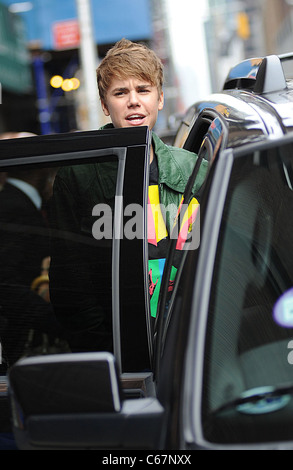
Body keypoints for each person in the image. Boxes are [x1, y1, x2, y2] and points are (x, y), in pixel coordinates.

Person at [49, 39, 209, 354]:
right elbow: (71, 285)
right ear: (105, 105)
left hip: (191, 343)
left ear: (160, 99)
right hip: (120, 352)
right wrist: (109, 356)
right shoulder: (77, 174)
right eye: (121, 92)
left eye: (143, 90)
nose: (133, 101)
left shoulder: (194, 169)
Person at [0, 133, 65, 366]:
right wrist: (61, 325)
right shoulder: (13, 208)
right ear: (39, 169)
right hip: (21, 347)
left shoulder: (22, 203)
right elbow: (7, 287)